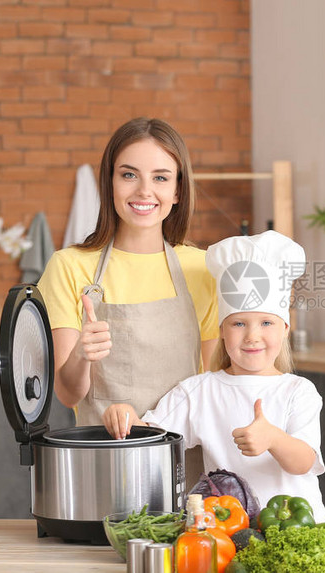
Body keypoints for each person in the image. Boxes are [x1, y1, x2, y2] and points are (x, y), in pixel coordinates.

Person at [102, 231, 325, 520]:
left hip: (298, 529)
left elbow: (303, 461)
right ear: (222, 330)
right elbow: (150, 438)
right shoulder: (199, 391)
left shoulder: (298, 390)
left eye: (267, 322)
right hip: (229, 532)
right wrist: (124, 416)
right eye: (239, 323)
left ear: (285, 329)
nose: (253, 336)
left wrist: (273, 438)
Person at [37, 118, 219, 430]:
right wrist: (82, 355)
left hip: (185, 458)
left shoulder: (205, 268)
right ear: (109, 182)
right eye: (129, 175)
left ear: (178, 191)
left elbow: (215, 388)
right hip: (103, 459)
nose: (144, 191)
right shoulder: (68, 266)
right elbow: (67, 395)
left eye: (161, 178)